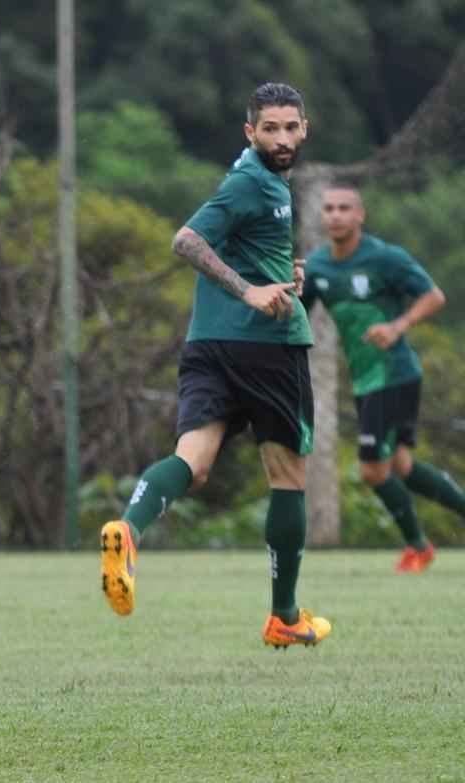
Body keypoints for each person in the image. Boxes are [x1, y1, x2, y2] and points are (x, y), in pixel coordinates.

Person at [100, 83, 331, 649]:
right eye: (269, 128)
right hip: (266, 350)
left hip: (208, 344)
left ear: (304, 129)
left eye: (289, 127)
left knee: (194, 461)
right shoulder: (250, 181)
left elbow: (241, 244)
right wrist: (251, 291)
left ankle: (127, 533)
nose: (280, 138)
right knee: (287, 477)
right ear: (249, 133)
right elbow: (187, 240)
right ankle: (284, 617)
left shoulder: (263, 181)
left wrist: (281, 272)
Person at [303, 185, 464, 572]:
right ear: (321, 217)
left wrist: (397, 325)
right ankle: (420, 547)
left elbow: (433, 295)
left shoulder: (385, 258)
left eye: (344, 208)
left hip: (393, 373)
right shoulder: (317, 266)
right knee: (403, 465)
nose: (336, 215)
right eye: (329, 208)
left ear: (360, 215)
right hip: (364, 378)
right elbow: (297, 313)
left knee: (373, 469)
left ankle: (418, 545)